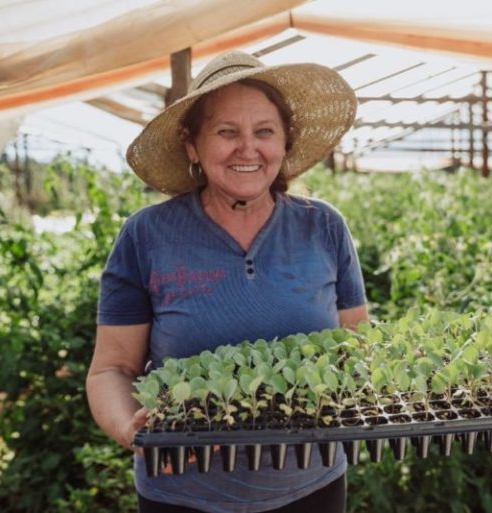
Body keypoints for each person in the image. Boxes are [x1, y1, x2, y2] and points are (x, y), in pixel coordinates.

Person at [86, 51, 368, 513]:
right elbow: (110, 369)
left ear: (284, 142)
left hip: (311, 487)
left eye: (264, 131)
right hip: (184, 495)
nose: (248, 149)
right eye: (226, 132)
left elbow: (355, 342)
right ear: (192, 145)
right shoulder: (146, 236)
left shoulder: (324, 227)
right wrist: (131, 428)